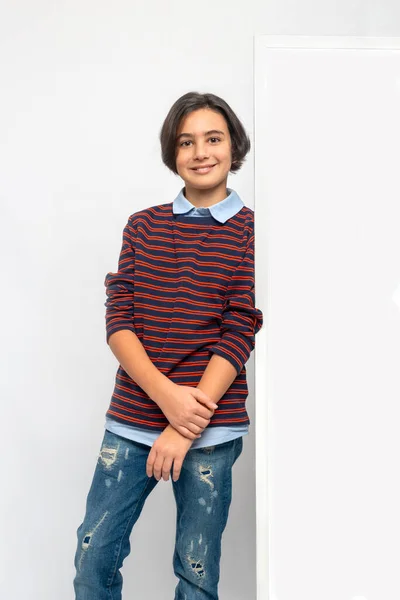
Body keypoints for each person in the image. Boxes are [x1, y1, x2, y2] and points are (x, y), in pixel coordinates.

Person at [73, 91, 264, 600]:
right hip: (135, 413)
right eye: (187, 141)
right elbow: (120, 321)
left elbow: (240, 327)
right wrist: (166, 400)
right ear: (172, 152)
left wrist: (186, 425)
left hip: (209, 424)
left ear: (233, 146)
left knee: (196, 575)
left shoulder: (254, 232)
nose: (201, 151)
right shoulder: (143, 224)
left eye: (213, 138)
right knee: (93, 556)